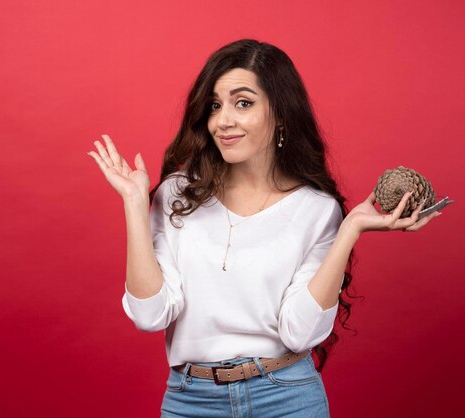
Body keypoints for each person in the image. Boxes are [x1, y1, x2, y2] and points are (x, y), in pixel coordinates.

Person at [88, 39, 440, 418]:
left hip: (286, 398)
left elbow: (299, 333)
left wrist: (350, 228)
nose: (224, 120)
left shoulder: (317, 211)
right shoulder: (178, 194)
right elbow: (150, 315)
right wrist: (135, 204)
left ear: (281, 114)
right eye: (215, 105)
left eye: (243, 103)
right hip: (191, 400)